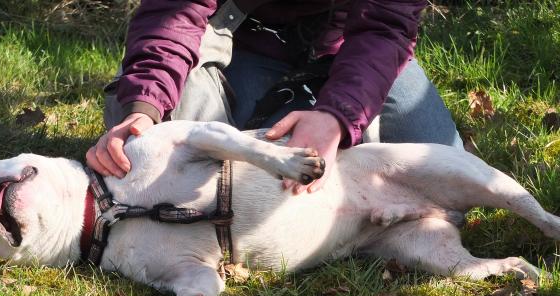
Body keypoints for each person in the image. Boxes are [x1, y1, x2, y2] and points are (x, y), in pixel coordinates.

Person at [86, 0, 462, 195]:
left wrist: (338, 116)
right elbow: (175, 13)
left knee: (449, 177)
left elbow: (384, 28)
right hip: (243, 45)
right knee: (164, 152)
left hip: (349, 51)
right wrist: (143, 110)